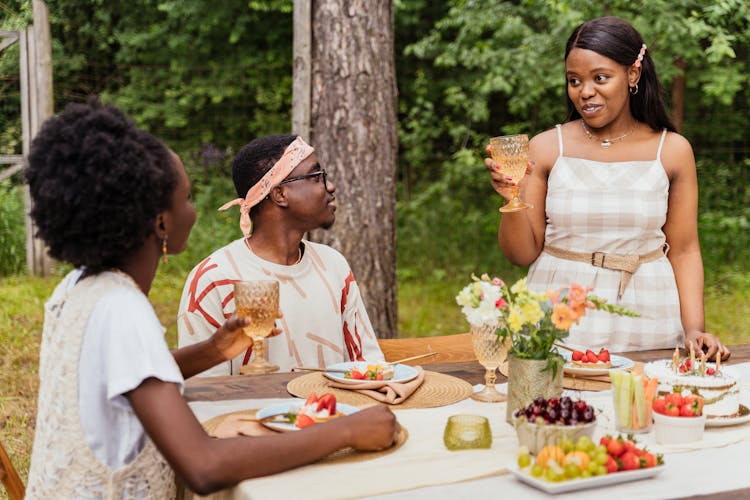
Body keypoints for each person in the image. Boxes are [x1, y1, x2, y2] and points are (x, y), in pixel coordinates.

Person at [24, 101, 398, 497]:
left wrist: (210, 351)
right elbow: (204, 467)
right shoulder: (123, 311)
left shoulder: (80, 287)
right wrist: (345, 431)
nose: (195, 211)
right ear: (160, 222)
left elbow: (126, 375)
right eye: (186, 199)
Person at [485, 16, 730, 361]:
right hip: (559, 317)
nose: (585, 91)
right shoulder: (545, 148)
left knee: (642, 408)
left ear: (632, 74)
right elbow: (521, 254)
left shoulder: (673, 151)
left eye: (600, 78)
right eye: (574, 80)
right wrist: (512, 198)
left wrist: (693, 329)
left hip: (649, 312)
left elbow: (685, 250)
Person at [177, 134, 384, 375]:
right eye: (316, 176)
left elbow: (367, 364)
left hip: (338, 412)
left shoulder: (332, 264)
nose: (330, 186)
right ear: (280, 194)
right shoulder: (213, 279)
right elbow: (206, 389)